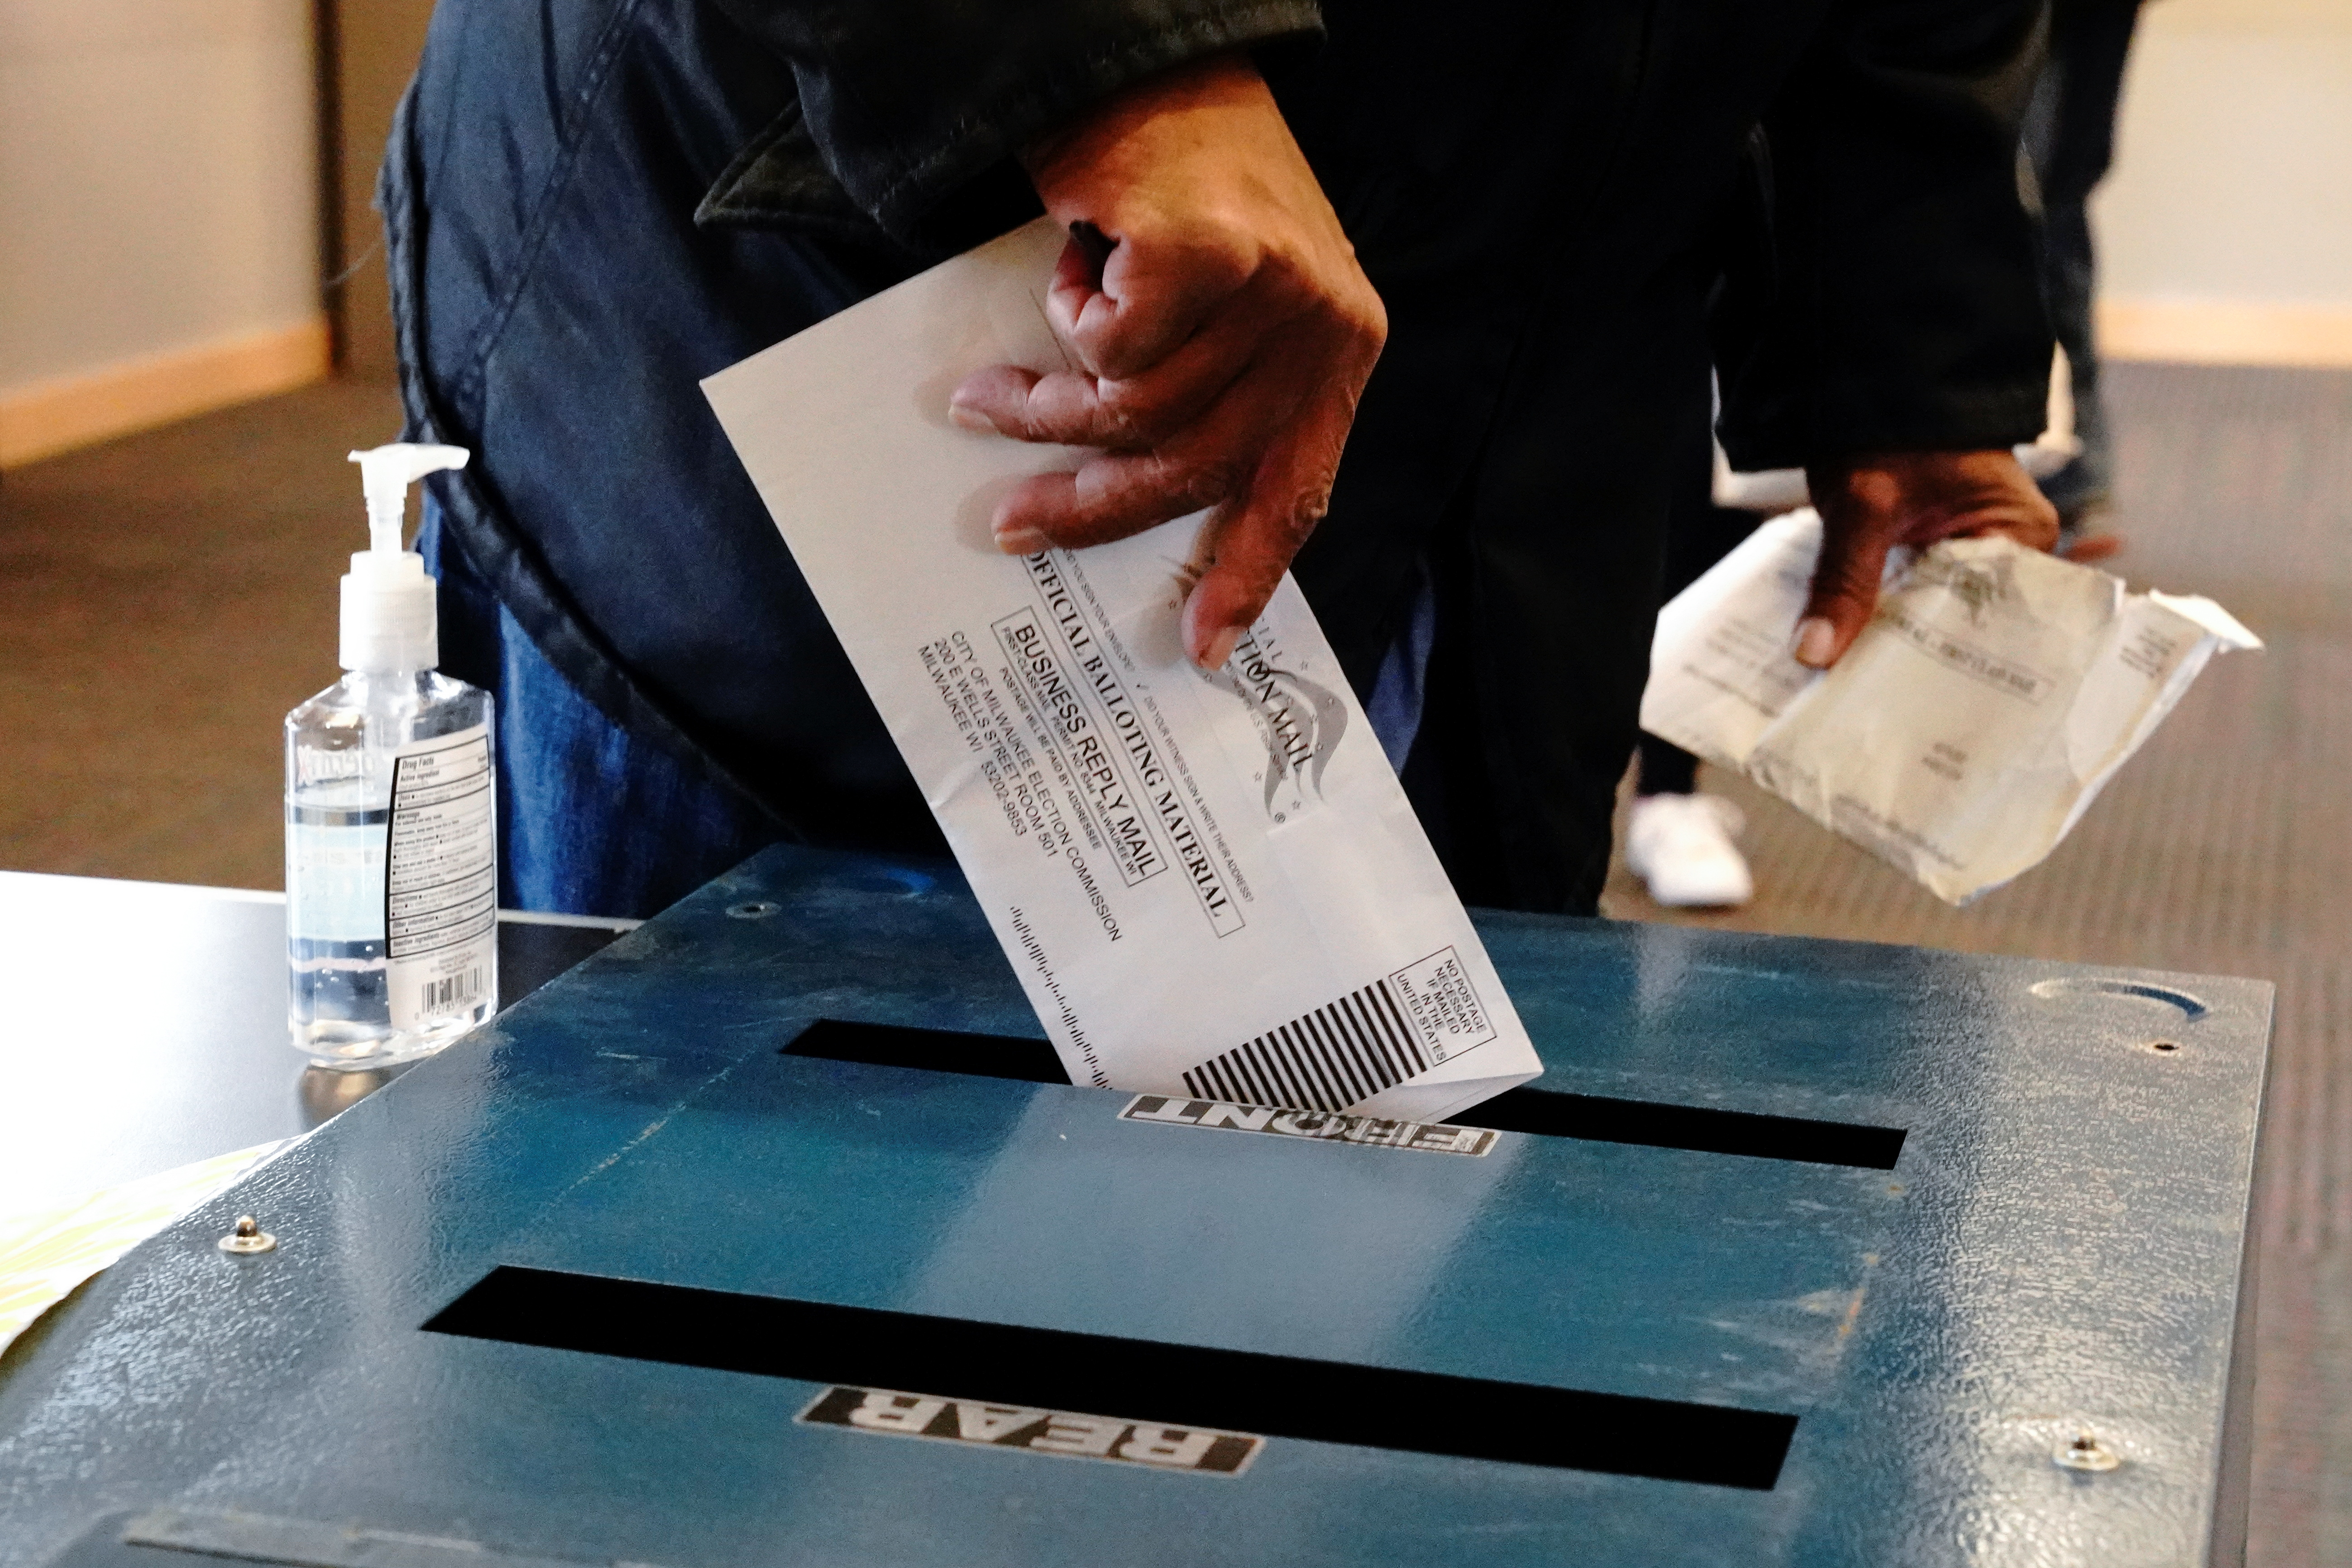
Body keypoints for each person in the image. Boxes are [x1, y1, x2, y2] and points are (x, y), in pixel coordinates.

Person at [386, 0, 2059, 921]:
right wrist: (1109, 57)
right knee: (719, 1299)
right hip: (859, 256)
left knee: (1353, 1328)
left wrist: (1897, 332)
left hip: (1502, 381)